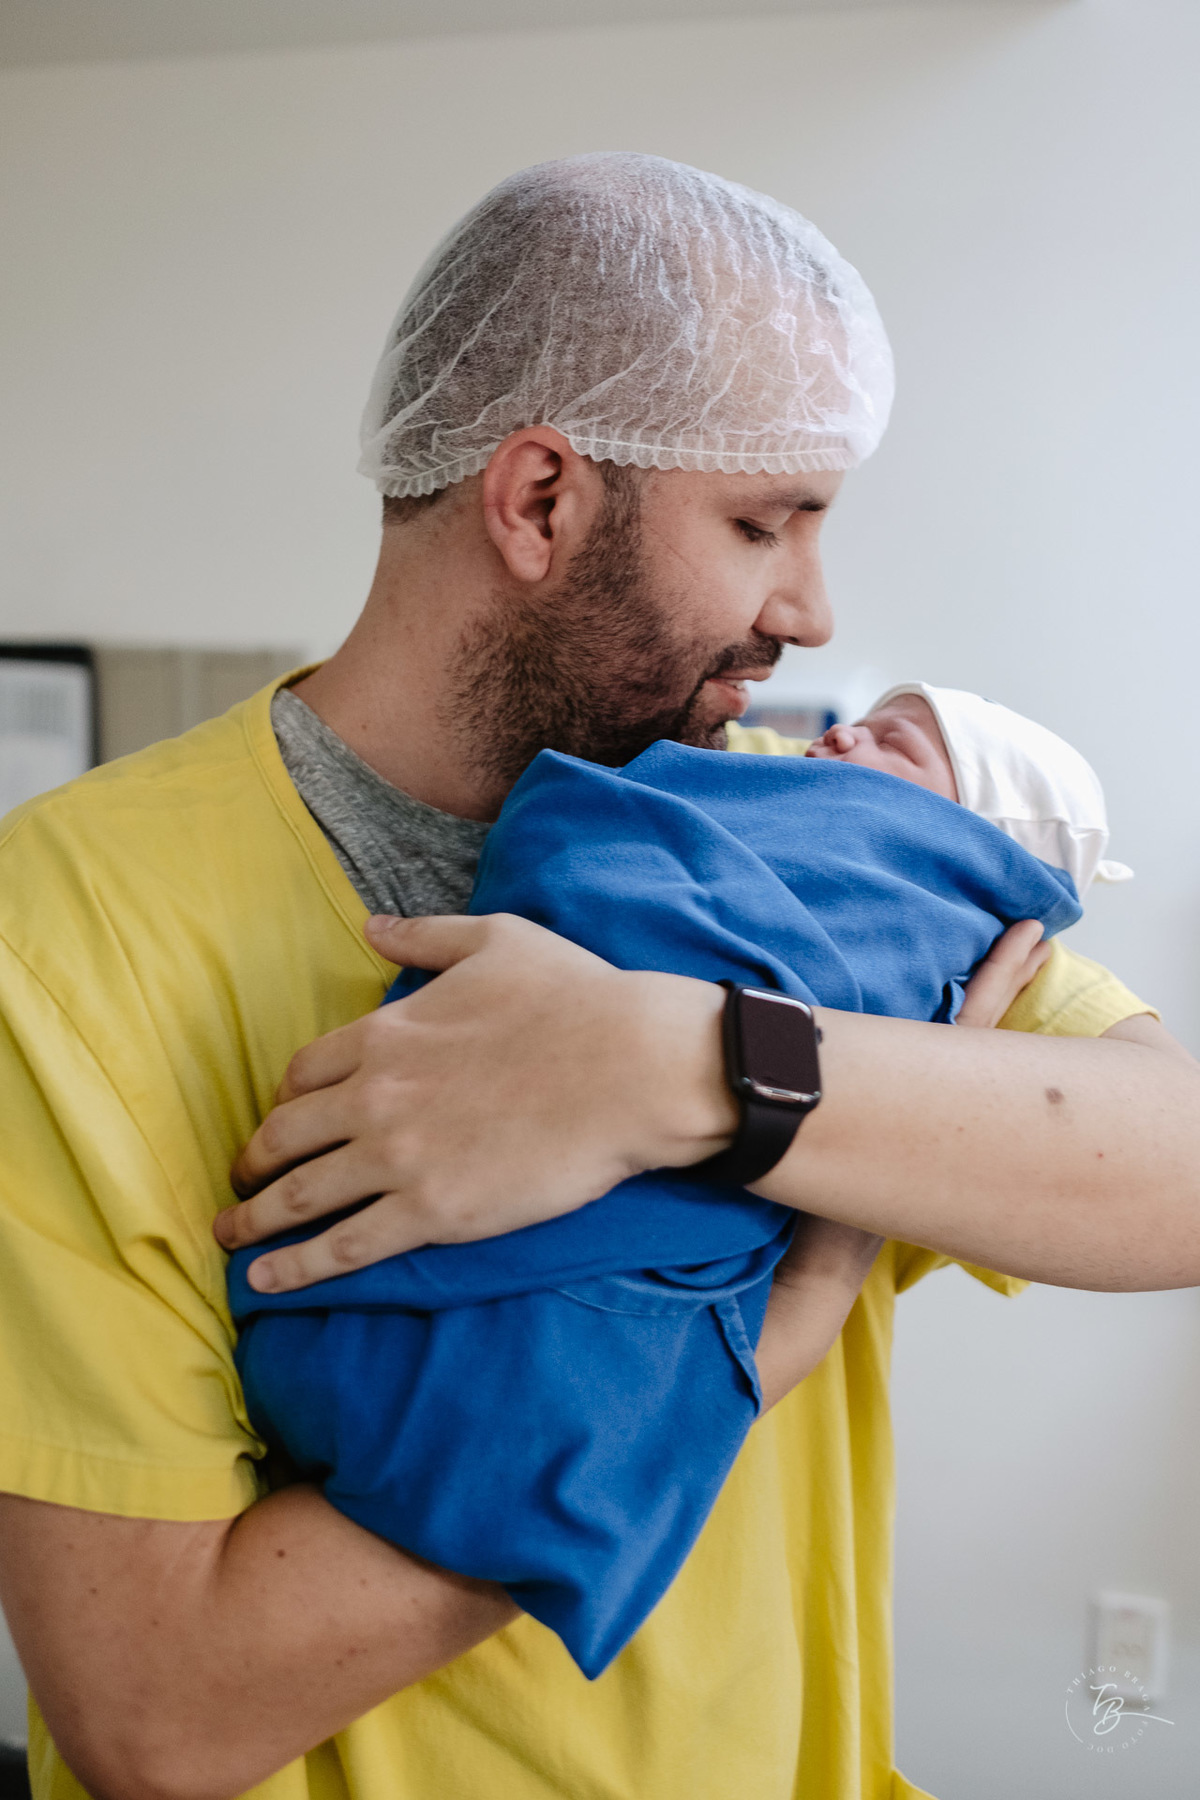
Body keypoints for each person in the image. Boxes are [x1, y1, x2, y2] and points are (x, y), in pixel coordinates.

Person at [0, 153, 1195, 1800]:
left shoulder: (806, 839)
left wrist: (686, 1067)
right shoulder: (63, 936)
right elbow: (160, 1714)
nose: (813, 607)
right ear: (542, 500)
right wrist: (746, 1359)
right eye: (763, 523)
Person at [228, 680, 1119, 1681]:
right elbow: (600, 870)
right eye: (862, 722)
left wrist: (680, 1066)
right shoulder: (747, 771)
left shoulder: (957, 915)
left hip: (722, 1678)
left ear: (979, 838)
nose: (840, 734)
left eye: (895, 742)